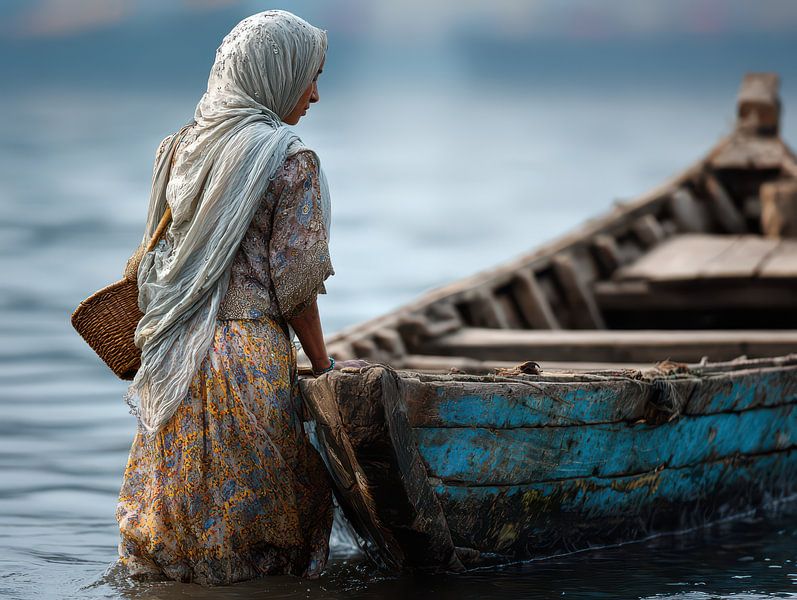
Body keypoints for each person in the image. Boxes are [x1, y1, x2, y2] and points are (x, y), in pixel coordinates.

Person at [114, 10, 362, 585]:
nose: (316, 95)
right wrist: (324, 368)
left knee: (178, 538)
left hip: (174, 358)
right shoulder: (290, 160)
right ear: (274, 72)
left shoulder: (177, 149)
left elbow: (156, 262)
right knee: (264, 539)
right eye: (310, 75)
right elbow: (296, 290)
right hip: (248, 366)